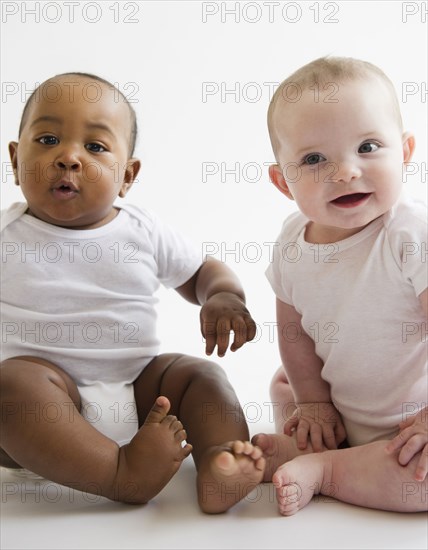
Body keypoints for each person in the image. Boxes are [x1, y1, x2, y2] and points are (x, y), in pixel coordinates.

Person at [0, 72, 265, 514]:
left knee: (199, 376)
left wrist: (222, 296)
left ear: (127, 175)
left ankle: (222, 462)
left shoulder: (143, 230)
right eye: (47, 139)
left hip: (145, 398)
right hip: (43, 419)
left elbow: (202, 270)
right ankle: (123, 476)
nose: (68, 157)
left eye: (96, 147)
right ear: (14, 159)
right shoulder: (7, 234)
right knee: (12, 384)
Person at [251, 56, 427, 515]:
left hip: (413, 426)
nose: (345, 171)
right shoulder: (292, 243)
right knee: (287, 382)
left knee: (421, 482)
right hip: (341, 412)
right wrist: (312, 404)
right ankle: (317, 445)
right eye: (313, 159)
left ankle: (327, 470)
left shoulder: (409, 235)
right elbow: (294, 332)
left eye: (368, 147)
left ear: (405, 152)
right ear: (282, 181)